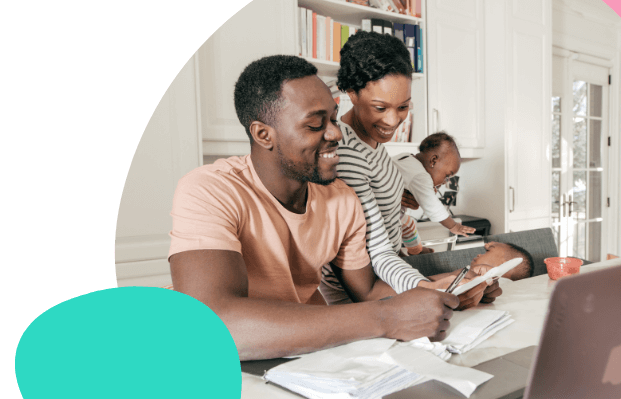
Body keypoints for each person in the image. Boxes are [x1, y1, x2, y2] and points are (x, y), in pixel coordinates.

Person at [168, 55, 498, 360]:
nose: (336, 133)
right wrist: (386, 318)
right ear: (263, 134)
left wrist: (445, 288)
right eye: (315, 125)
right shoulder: (209, 189)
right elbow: (212, 325)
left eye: (334, 118)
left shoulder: (341, 198)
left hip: (307, 358)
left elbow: (366, 292)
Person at [318, 31, 498, 306]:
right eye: (380, 107)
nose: (392, 120)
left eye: (403, 107)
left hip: (390, 276)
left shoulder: (371, 142)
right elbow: (376, 252)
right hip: (361, 297)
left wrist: (395, 198)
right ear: (351, 93)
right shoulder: (349, 155)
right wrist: (428, 287)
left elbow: (385, 212)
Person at [392, 131, 476, 255]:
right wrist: (454, 226)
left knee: (408, 224)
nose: (445, 181)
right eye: (447, 176)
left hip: (386, 211)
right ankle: (400, 256)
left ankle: (416, 250)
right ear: (433, 160)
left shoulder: (406, 158)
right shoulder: (421, 176)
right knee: (392, 239)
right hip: (387, 216)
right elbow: (432, 206)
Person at [428, 242, 535, 284]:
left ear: (506, 265)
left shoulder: (505, 284)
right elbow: (424, 282)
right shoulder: (468, 274)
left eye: (488, 251)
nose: (479, 254)